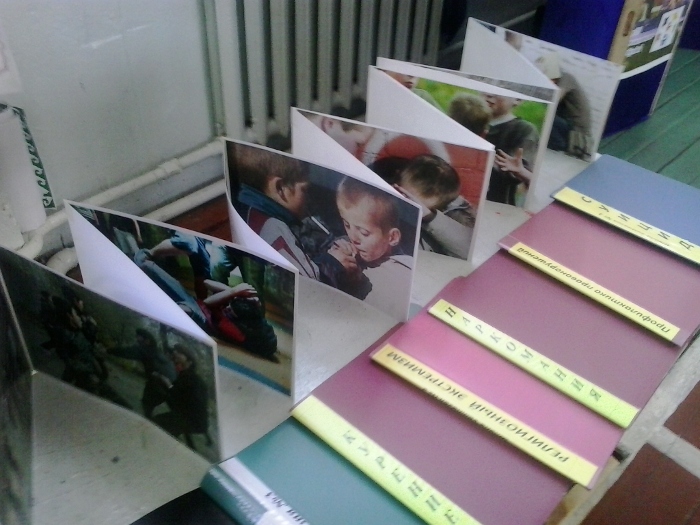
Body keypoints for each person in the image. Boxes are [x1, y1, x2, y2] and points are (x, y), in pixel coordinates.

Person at [227, 142, 364, 292]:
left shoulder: (245, 209)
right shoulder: (272, 228)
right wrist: (335, 263)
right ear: (280, 188)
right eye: (304, 190)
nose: (308, 198)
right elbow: (306, 285)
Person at [335, 176, 412, 314]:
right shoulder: (341, 246)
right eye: (347, 225)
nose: (353, 237)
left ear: (392, 237)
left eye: (364, 233)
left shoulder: (403, 273)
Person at [393, 154, 476, 260]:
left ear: (439, 207)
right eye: (401, 194)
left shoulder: (460, 216)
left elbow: (470, 251)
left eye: (412, 204)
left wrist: (430, 217)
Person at [482, 94, 539, 206]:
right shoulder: (467, 121)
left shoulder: (523, 129)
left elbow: (532, 180)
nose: (489, 94)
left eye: (499, 91)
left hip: (498, 204)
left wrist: (520, 171)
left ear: (517, 99)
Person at [107, 328, 177, 419]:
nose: (137, 342)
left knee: (146, 406)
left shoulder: (144, 350)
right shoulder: (157, 352)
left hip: (157, 385)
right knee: (149, 407)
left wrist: (108, 350)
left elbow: (126, 352)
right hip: (166, 388)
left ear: (147, 341)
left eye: (139, 340)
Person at [535, 52, 593, 160]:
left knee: (543, 113)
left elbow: (553, 100)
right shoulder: (561, 80)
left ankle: (557, 146)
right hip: (570, 129)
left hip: (577, 134)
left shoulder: (566, 79)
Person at [152, 345, 211, 449]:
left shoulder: (192, 379)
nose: (176, 354)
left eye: (180, 353)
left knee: (157, 425)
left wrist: (168, 385)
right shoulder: (184, 376)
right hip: (189, 418)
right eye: (175, 353)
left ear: (189, 361)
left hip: (193, 420)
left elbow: (182, 400)